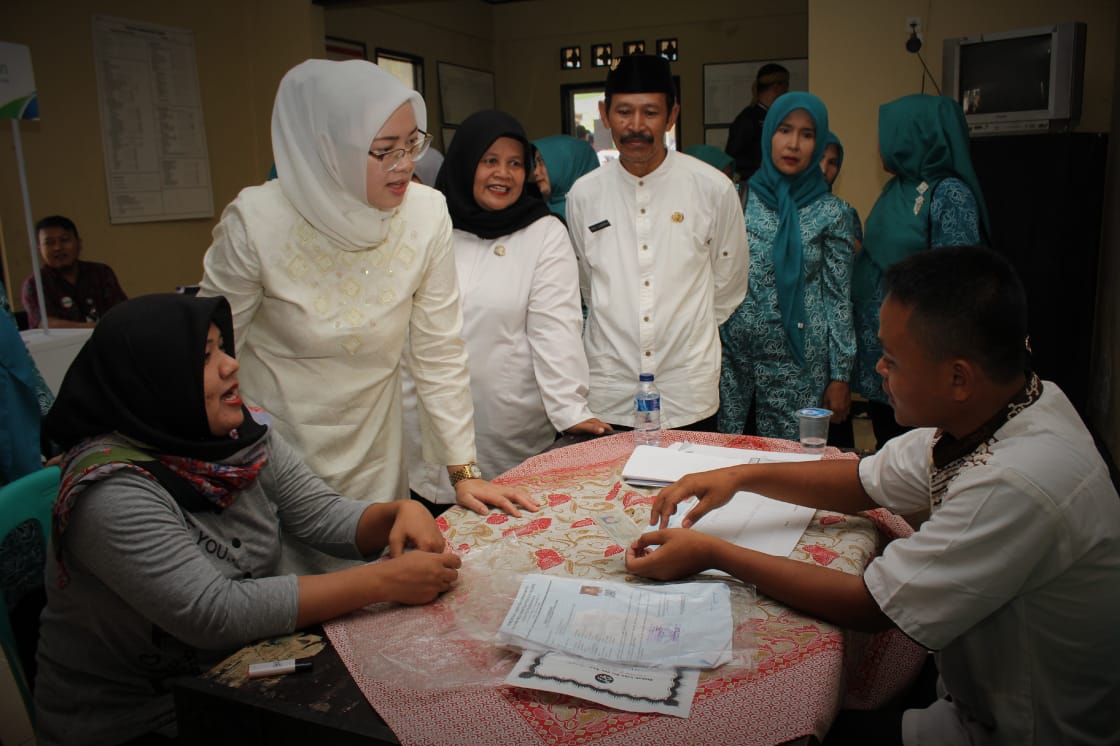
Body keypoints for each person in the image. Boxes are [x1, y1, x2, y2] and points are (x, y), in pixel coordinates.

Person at [628, 245, 1120, 746]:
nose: (879, 370)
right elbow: (861, 479)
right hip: (971, 693)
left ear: (958, 377)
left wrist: (713, 552)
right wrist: (738, 476)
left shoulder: (1014, 483)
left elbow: (870, 605)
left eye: (892, 359)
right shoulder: (1014, 405)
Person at [33, 294, 461, 745]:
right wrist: (383, 582)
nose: (230, 366)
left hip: (245, 672)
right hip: (138, 721)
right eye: (204, 358)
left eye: (223, 347)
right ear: (152, 381)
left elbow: (320, 515)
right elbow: (214, 611)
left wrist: (399, 511)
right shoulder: (111, 492)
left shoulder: (239, 439)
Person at [199, 60, 533, 519]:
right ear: (327, 149)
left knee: (379, 574)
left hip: (375, 453)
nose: (406, 166)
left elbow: (439, 350)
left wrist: (464, 471)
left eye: (412, 144)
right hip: (274, 456)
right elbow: (208, 356)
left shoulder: (425, 213)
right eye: (384, 151)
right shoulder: (256, 222)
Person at [403, 111, 610, 511]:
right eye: (490, 160)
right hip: (419, 423)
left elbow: (556, 329)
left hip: (506, 430)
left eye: (515, 163)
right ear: (466, 162)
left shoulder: (543, 233)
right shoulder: (429, 223)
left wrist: (571, 410)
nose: (504, 173)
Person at [567, 54, 748, 431]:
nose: (636, 126)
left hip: (688, 391)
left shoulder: (713, 188)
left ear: (672, 115)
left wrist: (685, 330)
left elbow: (729, 284)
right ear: (604, 113)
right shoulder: (583, 195)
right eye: (624, 112)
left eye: (650, 112)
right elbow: (587, 283)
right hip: (610, 390)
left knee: (691, 490)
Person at [851, 94, 990, 451]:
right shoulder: (896, 189)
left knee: (922, 458)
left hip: (922, 361)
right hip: (884, 361)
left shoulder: (949, 194)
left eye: (889, 131)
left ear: (916, 134)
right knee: (890, 449)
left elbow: (958, 283)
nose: (881, 142)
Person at [718, 92, 855, 441]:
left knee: (791, 472)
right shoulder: (735, 199)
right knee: (729, 463)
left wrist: (841, 376)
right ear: (768, 136)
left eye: (807, 135)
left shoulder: (832, 213)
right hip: (734, 368)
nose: (793, 144)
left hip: (800, 370)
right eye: (784, 130)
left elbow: (838, 299)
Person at [21, 215, 127, 329]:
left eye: (64, 240)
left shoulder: (101, 273)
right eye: (49, 243)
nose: (57, 247)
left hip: (107, 342)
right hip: (63, 345)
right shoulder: (34, 284)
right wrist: (96, 328)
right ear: (39, 250)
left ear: (79, 243)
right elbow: (45, 324)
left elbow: (122, 311)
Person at [724, 63, 790, 181]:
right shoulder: (748, 118)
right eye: (786, 87)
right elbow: (732, 157)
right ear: (777, 88)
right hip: (755, 185)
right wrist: (760, 167)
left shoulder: (779, 117)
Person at [531, 134, 600, 221]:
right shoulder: (538, 217)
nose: (535, 172)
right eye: (535, 164)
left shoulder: (601, 213)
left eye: (541, 162)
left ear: (567, 165)